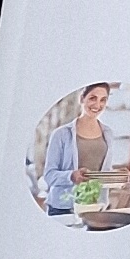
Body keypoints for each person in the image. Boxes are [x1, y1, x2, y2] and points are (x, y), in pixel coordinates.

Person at [42, 83, 115, 212]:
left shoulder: (108, 133)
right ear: (82, 98)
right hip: (63, 207)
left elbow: (102, 171)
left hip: (94, 207)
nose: (98, 105)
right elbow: (49, 175)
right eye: (93, 98)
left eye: (103, 100)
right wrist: (71, 176)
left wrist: (118, 176)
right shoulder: (61, 134)